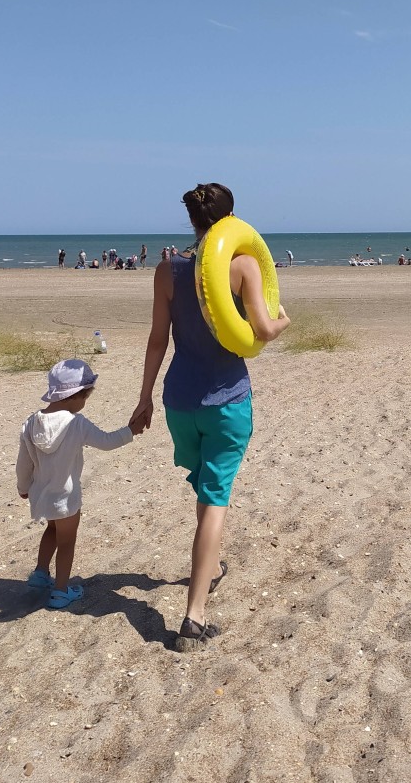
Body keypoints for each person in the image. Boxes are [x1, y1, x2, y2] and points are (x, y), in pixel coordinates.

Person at [132, 183, 290, 652]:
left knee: (205, 489)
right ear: (232, 220)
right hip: (226, 401)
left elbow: (157, 340)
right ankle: (194, 617)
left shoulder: (166, 270)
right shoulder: (243, 265)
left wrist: (144, 398)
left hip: (179, 402)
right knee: (216, 499)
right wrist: (284, 321)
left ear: (192, 220)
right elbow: (261, 329)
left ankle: (213, 567)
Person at [17, 359, 140, 609]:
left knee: (51, 529)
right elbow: (107, 441)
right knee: (67, 542)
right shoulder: (76, 423)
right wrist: (131, 431)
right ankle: (61, 591)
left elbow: (23, 463)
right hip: (66, 498)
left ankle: (41, 574)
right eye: (85, 397)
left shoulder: (31, 422)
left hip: (41, 495)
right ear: (75, 396)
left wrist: (22, 487)